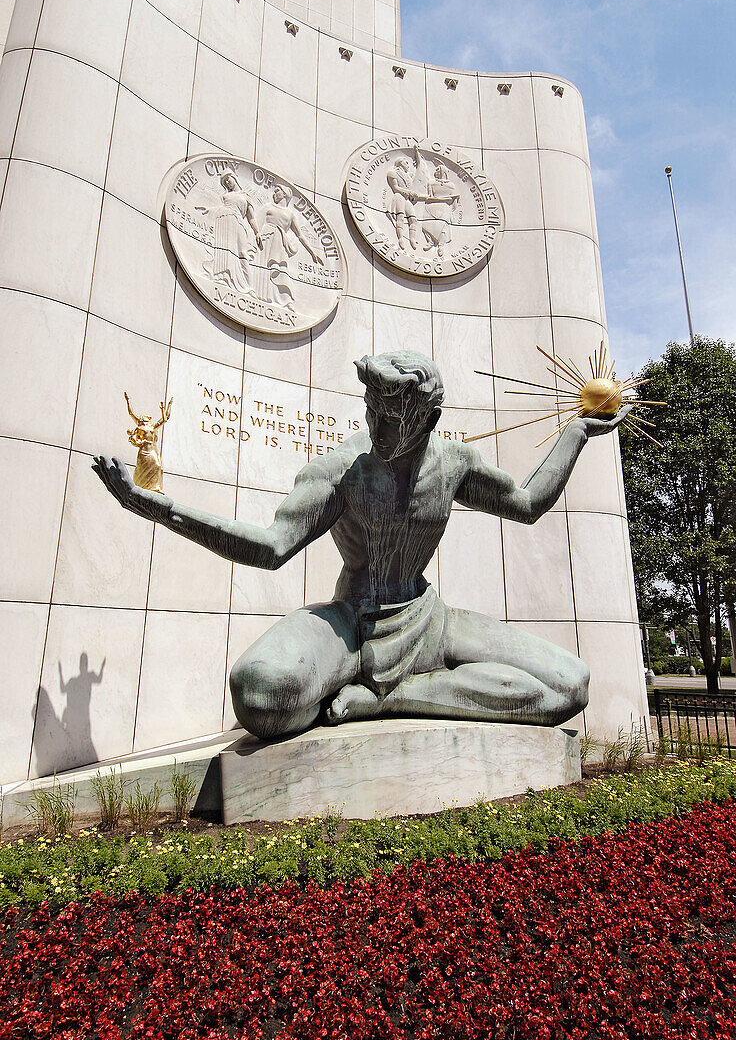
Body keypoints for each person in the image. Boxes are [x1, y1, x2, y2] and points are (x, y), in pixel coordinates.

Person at [94, 351, 630, 740]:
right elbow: (270, 547)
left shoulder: (454, 464)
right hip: (350, 621)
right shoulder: (339, 470)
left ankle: (388, 700)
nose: (375, 424)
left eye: (390, 415)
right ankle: (370, 681)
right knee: (260, 695)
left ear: (429, 419)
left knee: (569, 686)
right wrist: (161, 507)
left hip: (427, 619)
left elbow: (529, 503)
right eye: (371, 408)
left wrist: (577, 433)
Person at [257, 184, 323, 307]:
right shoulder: (268, 207)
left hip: (279, 242)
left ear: (285, 194)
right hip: (266, 237)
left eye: (277, 191)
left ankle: (283, 299)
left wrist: (312, 252)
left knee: (279, 268)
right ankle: (262, 296)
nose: (274, 194)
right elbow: (257, 222)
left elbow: (300, 235)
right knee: (263, 267)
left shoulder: (290, 214)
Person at [196, 171, 261, 294]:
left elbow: (251, 218)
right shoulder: (225, 196)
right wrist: (209, 209)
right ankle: (222, 277)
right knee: (223, 248)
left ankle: (249, 287)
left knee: (242, 253)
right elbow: (225, 207)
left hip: (238, 222)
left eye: (228, 178)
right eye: (224, 181)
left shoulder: (246, 196)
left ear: (234, 177)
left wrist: (257, 232)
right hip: (224, 219)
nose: (227, 182)